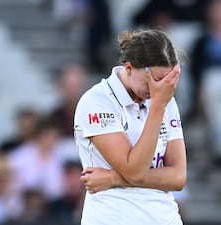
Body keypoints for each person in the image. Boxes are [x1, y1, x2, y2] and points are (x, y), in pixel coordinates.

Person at [74, 28, 186, 225]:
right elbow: (134, 171)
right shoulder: (97, 101)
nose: (158, 88)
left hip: (164, 217)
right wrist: (158, 107)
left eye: (165, 80)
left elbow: (178, 177)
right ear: (128, 67)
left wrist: (113, 178)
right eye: (154, 79)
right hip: (115, 217)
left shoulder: (164, 99)